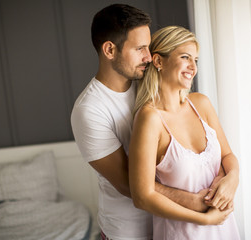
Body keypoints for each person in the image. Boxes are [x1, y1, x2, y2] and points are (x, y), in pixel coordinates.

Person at [71, 4, 238, 239]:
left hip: (179, 225)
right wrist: (197, 204)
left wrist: (227, 178)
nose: (148, 57)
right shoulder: (90, 110)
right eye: (140, 48)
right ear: (109, 50)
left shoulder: (146, 80)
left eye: (148, 48)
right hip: (130, 230)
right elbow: (131, 186)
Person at [129, 26, 240, 239]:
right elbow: (142, 196)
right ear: (159, 61)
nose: (192, 67)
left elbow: (227, 156)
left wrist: (232, 178)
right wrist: (205, 219)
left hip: (225, 229)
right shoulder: (149, 119)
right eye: (185, 57)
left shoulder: (201, 104)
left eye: (195, 60)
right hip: (182, 233)